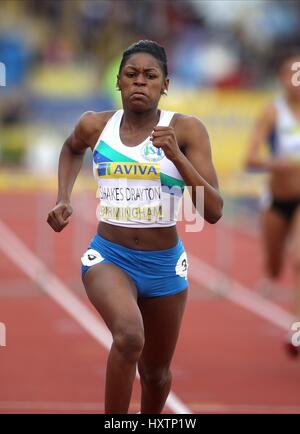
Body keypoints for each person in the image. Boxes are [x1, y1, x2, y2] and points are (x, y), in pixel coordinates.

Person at [47, 40, 223, 413]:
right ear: (118, 82)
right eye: (131, 75)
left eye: (150, 76)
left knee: (156, 374)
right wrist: (63, 196)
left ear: (165, 85)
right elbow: (71, 148)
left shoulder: (187, 131)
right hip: (110, 257)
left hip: (164, 265)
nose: (139, 82)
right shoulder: (96, 125)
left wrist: (176, 155)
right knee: (128, 337)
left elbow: (214, 210)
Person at [245, 48, 300, 358]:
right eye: (292, 73)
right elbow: (250, 158)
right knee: (276, 266)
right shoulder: (272, 112)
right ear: (282, 78)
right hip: (277, 200)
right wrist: (275, 163)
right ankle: (271, 269)